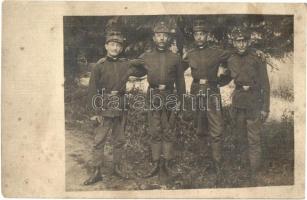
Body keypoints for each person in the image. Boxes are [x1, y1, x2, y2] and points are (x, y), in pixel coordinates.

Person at [84, 28, 146, 185]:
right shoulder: (99, 65)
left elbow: (143, 69)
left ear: (122, 48)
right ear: (106, 46)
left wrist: (138, 60)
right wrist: (93, 112)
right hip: (104, 106)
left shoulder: (125, 64)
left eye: (118, 45)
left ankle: (117, 168)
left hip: (121, 105)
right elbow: (92, 90)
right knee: (99, 140)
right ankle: (96, 171)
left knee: (119, 139)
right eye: (112, 44)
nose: (115, 48)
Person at [182, 19, 230, 185]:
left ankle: (217, 163)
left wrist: (223, 80)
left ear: (207, 36)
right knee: (199, 126)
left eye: (202, 34)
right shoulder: (190, 54)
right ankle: (201, 162)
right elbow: (176, 68)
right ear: (194, 36)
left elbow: (235, 56)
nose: (200, 37)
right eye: (197, 34)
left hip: (212, 92)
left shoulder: (217, 52)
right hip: (196, 93)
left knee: (216, 128)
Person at [138, 20, 186, 182]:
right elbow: (130, 67)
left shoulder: (175, 58)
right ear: (154, 38)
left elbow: (180, 81)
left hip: (170, 96)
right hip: (153, 96)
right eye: (158, 36)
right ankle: (156, 163)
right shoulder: (146, 57)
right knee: (154, 130)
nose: (161, 39)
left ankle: (167, 164)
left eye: (164, 36)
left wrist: (180, 101)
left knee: (168, 130)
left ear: (168, 38)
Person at [227, 26, 270, 186]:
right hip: (238, 104)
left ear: (249, 42)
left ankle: (254, 172)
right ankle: (243, 169)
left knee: (253, 138)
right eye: (238, 42)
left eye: (244, 41)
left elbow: (265, 84)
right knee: (240, 136)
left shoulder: (257, 58)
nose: (241, 45)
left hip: (254, 102)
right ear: (233, 43)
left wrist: (265, 107)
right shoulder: (230, 59)